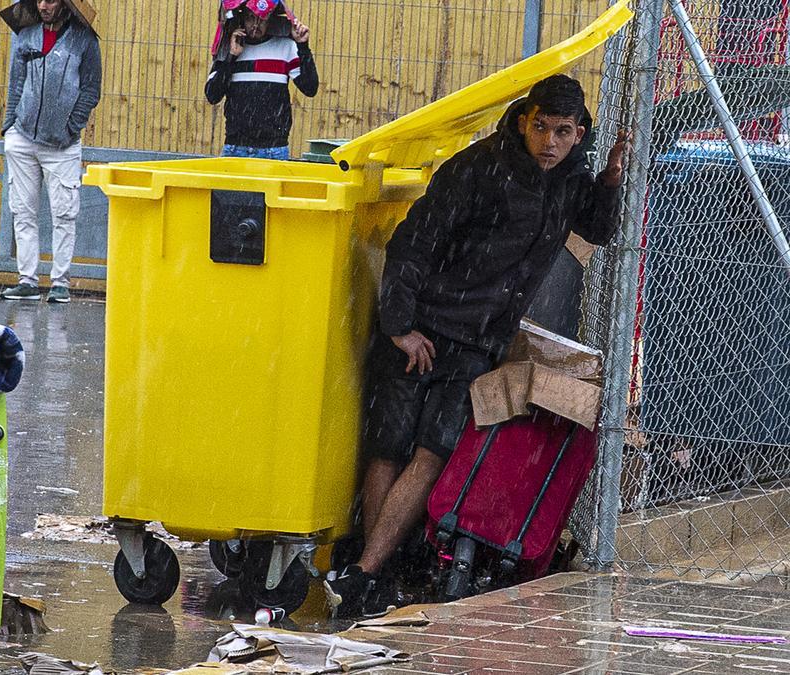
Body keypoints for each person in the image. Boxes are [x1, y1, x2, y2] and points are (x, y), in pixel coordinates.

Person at [323, 74, 629, 618]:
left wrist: (609, 182)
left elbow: (598, 230)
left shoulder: (570, 178)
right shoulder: (477, 169)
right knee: (389, 446)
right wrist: (399, 327)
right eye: (540, 128)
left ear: (580, 134)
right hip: (421, 326)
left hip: (477, 341)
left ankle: (369, 572)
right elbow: (412, 243)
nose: (550, 143)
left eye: (563, 132)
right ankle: (370, 573)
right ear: (522, 120)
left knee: (432, 452)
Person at [1, 0, 102, 303]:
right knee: (23, 210)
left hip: (62, 145)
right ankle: (27, 281)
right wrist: (9, 125)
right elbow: (15, 82)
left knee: (64, 214)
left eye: (52, 0)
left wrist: (71, 127)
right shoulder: (26, 34)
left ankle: (61, 283)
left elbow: (91, 88)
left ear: (67, 4)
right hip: (22, 139)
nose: (43, 5)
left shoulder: (84, 40)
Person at [204, 0, 318, 159]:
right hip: (235, 148)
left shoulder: (286, 47)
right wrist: (231, 57)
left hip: (274, 149)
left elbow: (310, 88)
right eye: (251, 17)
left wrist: (303, 47)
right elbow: (212, 95)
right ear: (242, 17)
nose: (256, 25)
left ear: (271, 18)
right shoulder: (229, 47)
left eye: (262, 18)